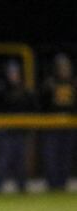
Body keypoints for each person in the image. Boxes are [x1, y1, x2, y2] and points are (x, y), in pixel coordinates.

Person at [0, 61, 38, 193]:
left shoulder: (24, 90)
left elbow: (33, 108)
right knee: (2, 162)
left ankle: (22, 188)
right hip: (5, 132)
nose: (14, 76)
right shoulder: (1, 89)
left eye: (15, 73)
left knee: (21, 163)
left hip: (20, 132)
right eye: (11, 73)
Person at [39, 53, 76, 191]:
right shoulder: (49, 84)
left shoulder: (73, 83)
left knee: (65, 158)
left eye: (66, 67)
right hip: (52, 127)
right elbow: (41, 106)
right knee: (51, 158)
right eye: (61, 67)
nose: (64, 69)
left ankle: (62, 185)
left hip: (69, 126)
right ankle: (52, 185)